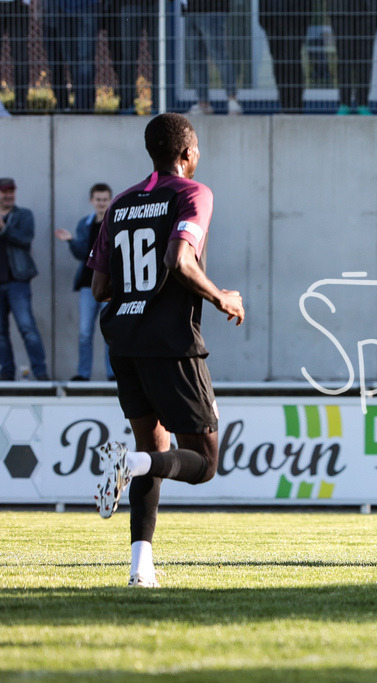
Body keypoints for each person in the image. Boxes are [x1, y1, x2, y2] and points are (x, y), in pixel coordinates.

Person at [88, 113, 245, 587]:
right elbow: (179, 259)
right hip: (170, 343)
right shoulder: (193, 194)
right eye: (196, 149)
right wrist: (220, 296)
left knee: (151, 446)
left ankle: (141, 569)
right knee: (204, 463)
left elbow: (99, 287)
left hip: (123, 339)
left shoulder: (121, 203)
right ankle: (131, 465)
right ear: (186, 153)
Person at [55, 183, 116, 381]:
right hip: (87, 284)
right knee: (85, 332)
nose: (101, 203)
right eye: (98, 199)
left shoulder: (115, 221)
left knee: (110, 332)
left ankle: (112, 373)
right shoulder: (85, 224)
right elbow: (82, 253)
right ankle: (83, 374)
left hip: (110, 285)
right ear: (92, 201)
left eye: (105, 199)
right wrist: (71, 240)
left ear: (111, 200)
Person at [0, 177, 49, 381]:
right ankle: (7, 372)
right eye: (5, 191)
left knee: (27, 328)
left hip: (17, 280)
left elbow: (25, 239)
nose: (9, 195)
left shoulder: (24, 215)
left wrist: (3, 228)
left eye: (12, 191)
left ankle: (40, 372)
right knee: (0, 333)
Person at [326, 0, 377, 114]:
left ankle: (362, 103)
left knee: (365, 58)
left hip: (369, 10)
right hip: (340, 10)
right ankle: (344, 103)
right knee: (344, 57)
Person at [184, 0, 243, 115]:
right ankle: (203, 103)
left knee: (219, 56)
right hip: (190, 11)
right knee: (196, 60)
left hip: (212, 9)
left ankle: (232, 100)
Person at [43, 0, 101, 112]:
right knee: (72, 59)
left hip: (87, 6)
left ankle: (84, 107)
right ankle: (78, 106)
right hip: (63, 8)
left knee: (85, 59)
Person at [105, 0, 160, 114]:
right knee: (128, 58)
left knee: (159, 59)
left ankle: (158, 105)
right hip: (130, 4)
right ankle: (127, 105)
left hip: (156, 5)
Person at [259, 0, 311, 113]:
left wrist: (301, 21)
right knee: (279, 65)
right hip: (272, 24)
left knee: (292, 63)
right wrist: (264, 20)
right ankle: (285, 104)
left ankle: (296, 106)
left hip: (295, 23)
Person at [0, 0, 32, 114]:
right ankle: (20, 106)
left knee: (20, 57)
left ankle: (21, 104)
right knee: (20, 56)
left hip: (18, 5)